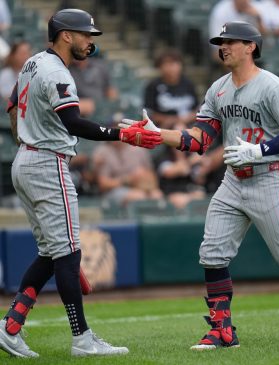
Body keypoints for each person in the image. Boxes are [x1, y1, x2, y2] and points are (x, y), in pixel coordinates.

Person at [121, 21, 279, 350]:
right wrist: (158, 134)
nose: (224, 46)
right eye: (221, 41)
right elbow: (201, 139)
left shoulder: (273, 86)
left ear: (251, 46)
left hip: (269, 175)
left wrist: (260, 149)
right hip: (234, 180)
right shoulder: (218, 88)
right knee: (212, 253)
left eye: (231, 41)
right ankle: (222, 331)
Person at [0, 8, 161, 358]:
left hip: (26, 160)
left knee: (52, 253)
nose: (90, 40)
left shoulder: (32, 63)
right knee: (70, 253)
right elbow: (73, 123)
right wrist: (123, 133)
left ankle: (11, 326)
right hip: (46, 163)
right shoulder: (57, 71)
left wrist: (25, 140)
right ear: (65, 35)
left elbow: (13, 105)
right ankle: (82, 338)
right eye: (85, 34)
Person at [92, 135, 163, 208]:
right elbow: (103, 184)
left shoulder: (138, 149)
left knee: (157, 195)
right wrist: (128, 179)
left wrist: (143, 176)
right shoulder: (103, 152)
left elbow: (152, 175)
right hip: (115, 190)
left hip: (139, 187)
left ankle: (153, 219)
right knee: (139, 196)